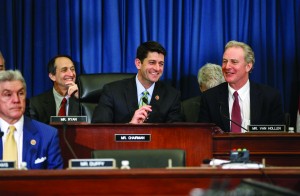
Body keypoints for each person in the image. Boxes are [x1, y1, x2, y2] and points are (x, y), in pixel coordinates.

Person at [199, 40, 284, 132]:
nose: (227, 66)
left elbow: (277, 137)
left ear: (248, 66)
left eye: (234, 62)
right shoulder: (209, 98)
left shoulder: (270, 97)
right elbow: (203, 135)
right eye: (224, 61)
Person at [92, 41, 182, 123]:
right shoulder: (112, 91)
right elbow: (99, 129)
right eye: (152, 62)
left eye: (161, 64)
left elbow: (174, 134)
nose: (157, 68)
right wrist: (130, 127)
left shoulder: (172, 96)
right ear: (138, 63)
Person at [0, 70, 63, 169]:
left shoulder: (48, 135)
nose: (16, 100)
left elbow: (56, 181)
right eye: (8, 94)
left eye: (20, 93)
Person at [29, 55, 80, 124]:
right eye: (64, 70)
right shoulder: (36, 104)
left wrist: (80, 99)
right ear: (52, 76)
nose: (71, 74)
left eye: (72, 69)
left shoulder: (82, 100)